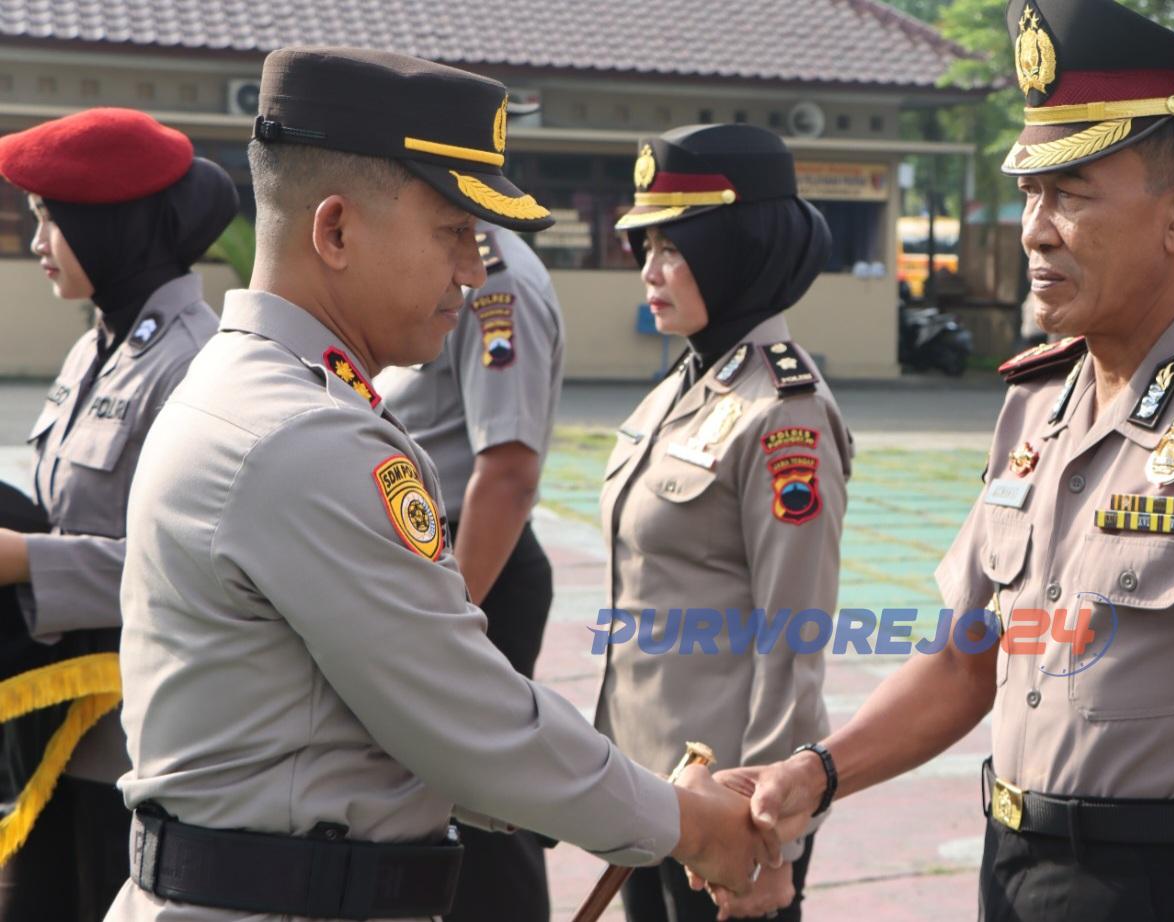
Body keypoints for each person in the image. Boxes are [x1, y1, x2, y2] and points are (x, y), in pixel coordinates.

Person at [711, 2, 1174, 920]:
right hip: (1018, 871)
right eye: (1032, 191)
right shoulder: (1039, 400)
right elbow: (970, 658)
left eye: (1071, 193)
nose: (1035, 228)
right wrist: (818, 772)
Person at [106, 47, 773, 922]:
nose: (471, 268)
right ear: (335, 231)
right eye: (453, 231)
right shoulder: (305, 435)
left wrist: (645, 800)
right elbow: (471, 725)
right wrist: (691, 825)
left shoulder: (250, 390)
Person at [594, 123, 849, 922]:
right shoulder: (683, 385)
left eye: (675, 247)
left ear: (739, 250)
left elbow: (793, 637)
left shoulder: (784, 413)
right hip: (647, 789)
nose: (650, 269)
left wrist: (772, 837)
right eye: (646, 246)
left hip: (726, 810)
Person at [0, 108, 237, 921]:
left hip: (139, 744)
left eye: (51, 221)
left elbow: (196, 564)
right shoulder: (97, 344)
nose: (36, 243)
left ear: (111, 227)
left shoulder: (195, 365)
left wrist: (27, 561)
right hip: (59, 730)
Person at [373, 220, 564, 922]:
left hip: (477, 568)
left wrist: (451, 618)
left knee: (486, 811)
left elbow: (509, 471)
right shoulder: (435, 258)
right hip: (443, 570)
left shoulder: (493, 281)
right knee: (448, 807)